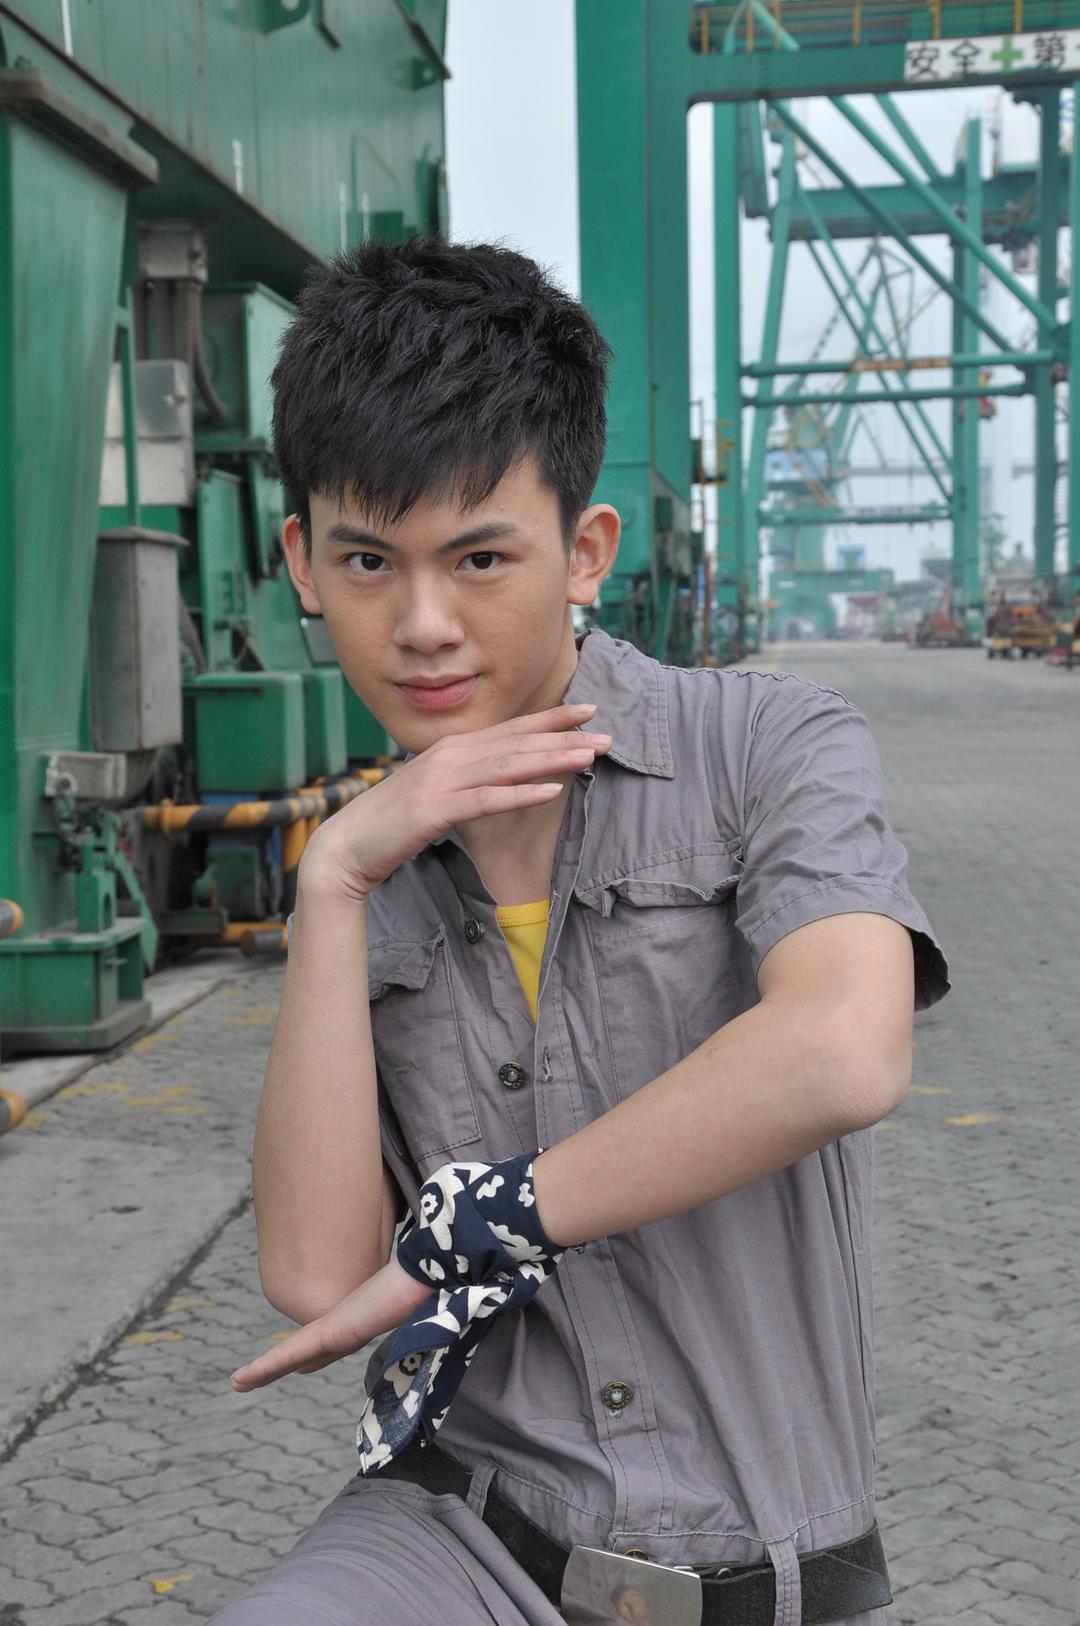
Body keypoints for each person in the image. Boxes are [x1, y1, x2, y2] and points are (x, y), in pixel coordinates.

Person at [211, 237, 951, 1626]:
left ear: (586, 551)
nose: (423, 625)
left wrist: (498, 1211)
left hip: (768, 1576)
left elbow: (846, 1048)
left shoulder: (766, 746)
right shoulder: (370, 878)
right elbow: (318, 1275)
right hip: (462, 1538)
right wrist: (333, 881)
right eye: (368, 560)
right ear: (303, 560)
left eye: (480, 557)